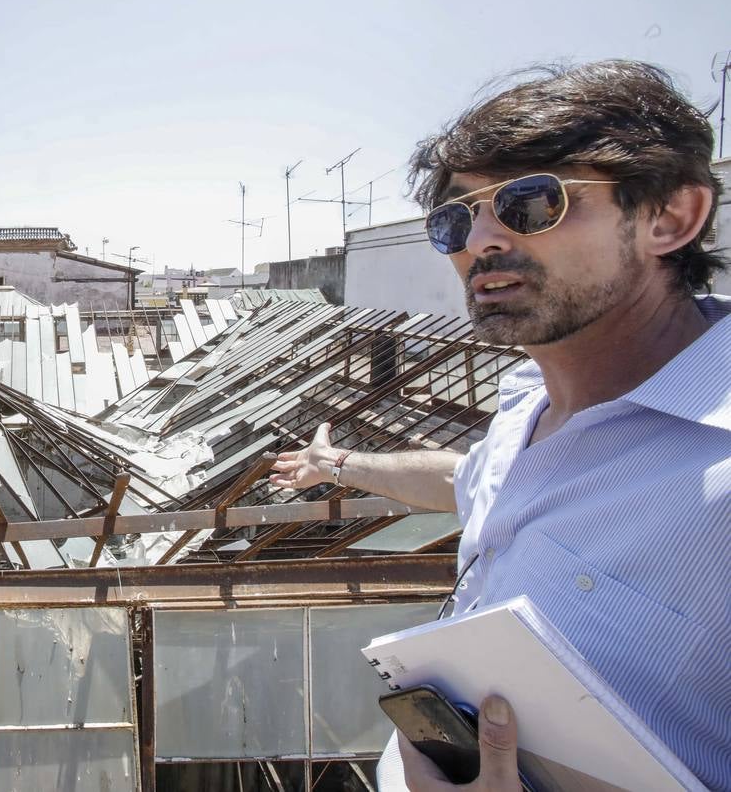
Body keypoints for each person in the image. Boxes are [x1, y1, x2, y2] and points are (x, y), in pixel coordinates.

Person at [270, 61, 729, 791]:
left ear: (669, 218)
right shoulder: (527, 403)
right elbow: (472, 481)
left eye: (531, 201)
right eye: (455, 217)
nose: (478, 240)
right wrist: (342, 465)